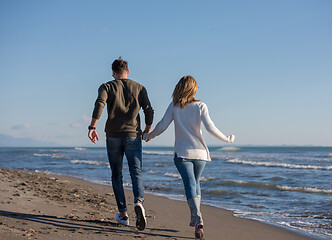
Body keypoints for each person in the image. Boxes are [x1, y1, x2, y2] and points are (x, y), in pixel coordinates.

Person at [143, 75, 235, 239]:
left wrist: (148, 136)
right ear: (193, 89)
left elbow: (162, 125)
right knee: (195, 184)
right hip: (200, 154)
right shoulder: (201, 106)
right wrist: (227, 139)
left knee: (191, 185)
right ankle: (196, 220)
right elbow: (210, 128)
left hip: (182, 154)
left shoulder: (174, 107)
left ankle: (197, 216)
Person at [88, 57, 153, 231]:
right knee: (136, 172)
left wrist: (92, 126)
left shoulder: (107, 86)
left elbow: (100, 104)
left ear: (114, 72)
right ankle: (139, 202)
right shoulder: (139, 87)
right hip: (133, 135)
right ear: (127, 71)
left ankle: (123, 215)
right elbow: (149, 109)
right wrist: (147, 129)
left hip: (113, 136)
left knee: (117, 174)